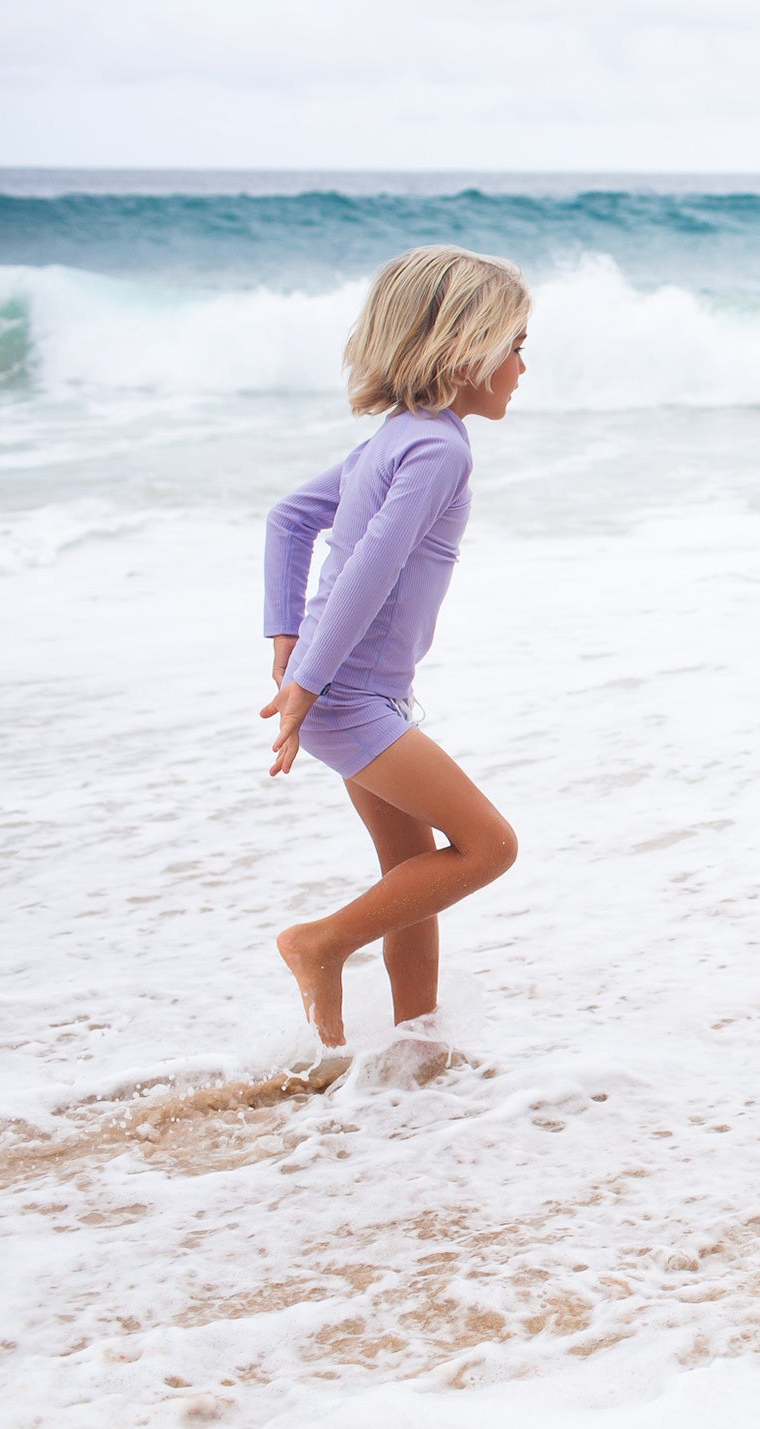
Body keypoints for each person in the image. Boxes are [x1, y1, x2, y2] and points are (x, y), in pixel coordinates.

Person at [260, 245, 529, 1048]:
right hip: (349, 698)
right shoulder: (440, 450)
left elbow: (288, 518)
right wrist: (305, 680)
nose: (522, 365)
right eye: (514, 345)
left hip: (352, 692)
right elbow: (370, 569)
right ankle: (321, 943)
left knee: (410, 873)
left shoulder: (395, 437)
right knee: (487, 848)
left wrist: (289, 642)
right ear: (465, 351)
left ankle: (415, 1047)